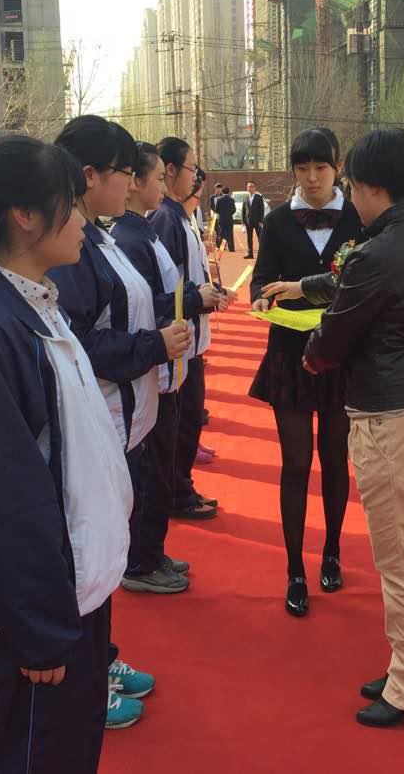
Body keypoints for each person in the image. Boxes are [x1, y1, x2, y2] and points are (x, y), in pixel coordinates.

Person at [0, 136, 129, 773]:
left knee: (67, 748)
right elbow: (2, 501)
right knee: (33, 755)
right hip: (36, 609)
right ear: (25, 216)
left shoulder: (30, 305)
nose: (85, 220)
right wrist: (39, 629)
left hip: (71, 584)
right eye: (72, 205)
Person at [266, 128, 404, 728]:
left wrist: (313, 350)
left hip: (390, 418)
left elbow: (331, 340)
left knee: (402, 563)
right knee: (402, 556)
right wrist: (305, 286)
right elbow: (349, 278)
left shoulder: (378, 251)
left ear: (369, 186)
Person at [49, 116, 191, 596]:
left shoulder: (98, 237)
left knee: (116, 530)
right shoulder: (73, 249)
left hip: (127, 411)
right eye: (125, 173)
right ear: (89, 176)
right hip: (105, 415)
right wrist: (153, 346)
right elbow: (78, 342)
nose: (131, 184)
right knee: (92, 554)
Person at [249, 127, 363, 618]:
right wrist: (262, 297)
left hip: (341, 357)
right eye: (303, 168)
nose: (313, 177)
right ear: (293, 170)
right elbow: (260, 280)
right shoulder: (277, 222)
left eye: (321, 167)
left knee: (336, 459)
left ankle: (331, 551)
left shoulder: (359, 219)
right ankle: (295, 568)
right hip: (289, 355)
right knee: (295, 464)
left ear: (337, 167)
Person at [111, 142, 217, 590]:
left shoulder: (145, 230)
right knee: (151, 469)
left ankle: (151, 550)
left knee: (160, 462)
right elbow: (142, 305)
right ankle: (141, 561)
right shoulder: (131, 236)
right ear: (135, 182)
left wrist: (191, 297)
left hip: (167, 364)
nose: (161, 185)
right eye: (155, 178)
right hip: (153, 368)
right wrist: (192, 300)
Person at [149, 137, 227, 521]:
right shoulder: (165, 218)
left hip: (192, 338)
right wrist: (199, 298)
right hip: (180, 340)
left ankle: (181, 487)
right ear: (170, 170)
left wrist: (209, 293)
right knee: (182, 422)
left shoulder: (180, 215)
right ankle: (177, 492)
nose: (196, 178)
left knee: (189, 418)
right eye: (192, 169)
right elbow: (168, 286)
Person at [243, 181, 264, 258]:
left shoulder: (259, 197)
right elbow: (243, 210)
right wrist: (243, 222)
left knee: (260, 238)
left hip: (257, 221)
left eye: (251, 186)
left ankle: (262, 253)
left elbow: (262, 209)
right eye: (248, 186)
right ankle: (250, 254)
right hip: (248, 221)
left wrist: (261, 221)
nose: (250, 188)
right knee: (249, 238)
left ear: (255, 188)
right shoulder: (245, 197)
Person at [214, 186, 236, 252]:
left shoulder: (219, 199)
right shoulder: (231, 199)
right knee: (230, 234)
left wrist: (221, 214)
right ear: (228, 192)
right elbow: (234, 209)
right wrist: (229, 214)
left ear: (222, 191)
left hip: (221, 219)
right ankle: (231, 248)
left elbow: (216, 210)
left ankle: (220, 247)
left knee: (221, 234)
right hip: (229, 219)